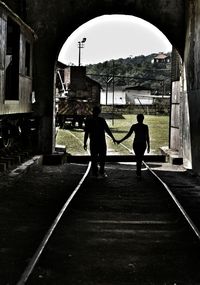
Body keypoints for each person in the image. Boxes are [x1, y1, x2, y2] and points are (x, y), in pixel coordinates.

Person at [84, 105, 116, 177]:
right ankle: (101, 171)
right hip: (101, 142)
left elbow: (86, 132)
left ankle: (95, 172)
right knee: (102, 158)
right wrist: (113, 138)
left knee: (94, 158)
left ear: (92, 112)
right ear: (99, 112)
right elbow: (107, 130)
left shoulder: (89, 120)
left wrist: (85, 142)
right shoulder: (101, 120)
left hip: (93, 142)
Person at [117, 114, 150, 178]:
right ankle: (138, 172)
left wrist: (120, 141)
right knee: (140, 158)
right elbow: (147, 137)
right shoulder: (145, 126)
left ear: (137, 119)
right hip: (143, 144)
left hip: (136, 144)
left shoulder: (134, 126)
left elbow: (128, 135)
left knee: (138, 158)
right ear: (143, 119)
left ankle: (138, 172)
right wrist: (149, 146)